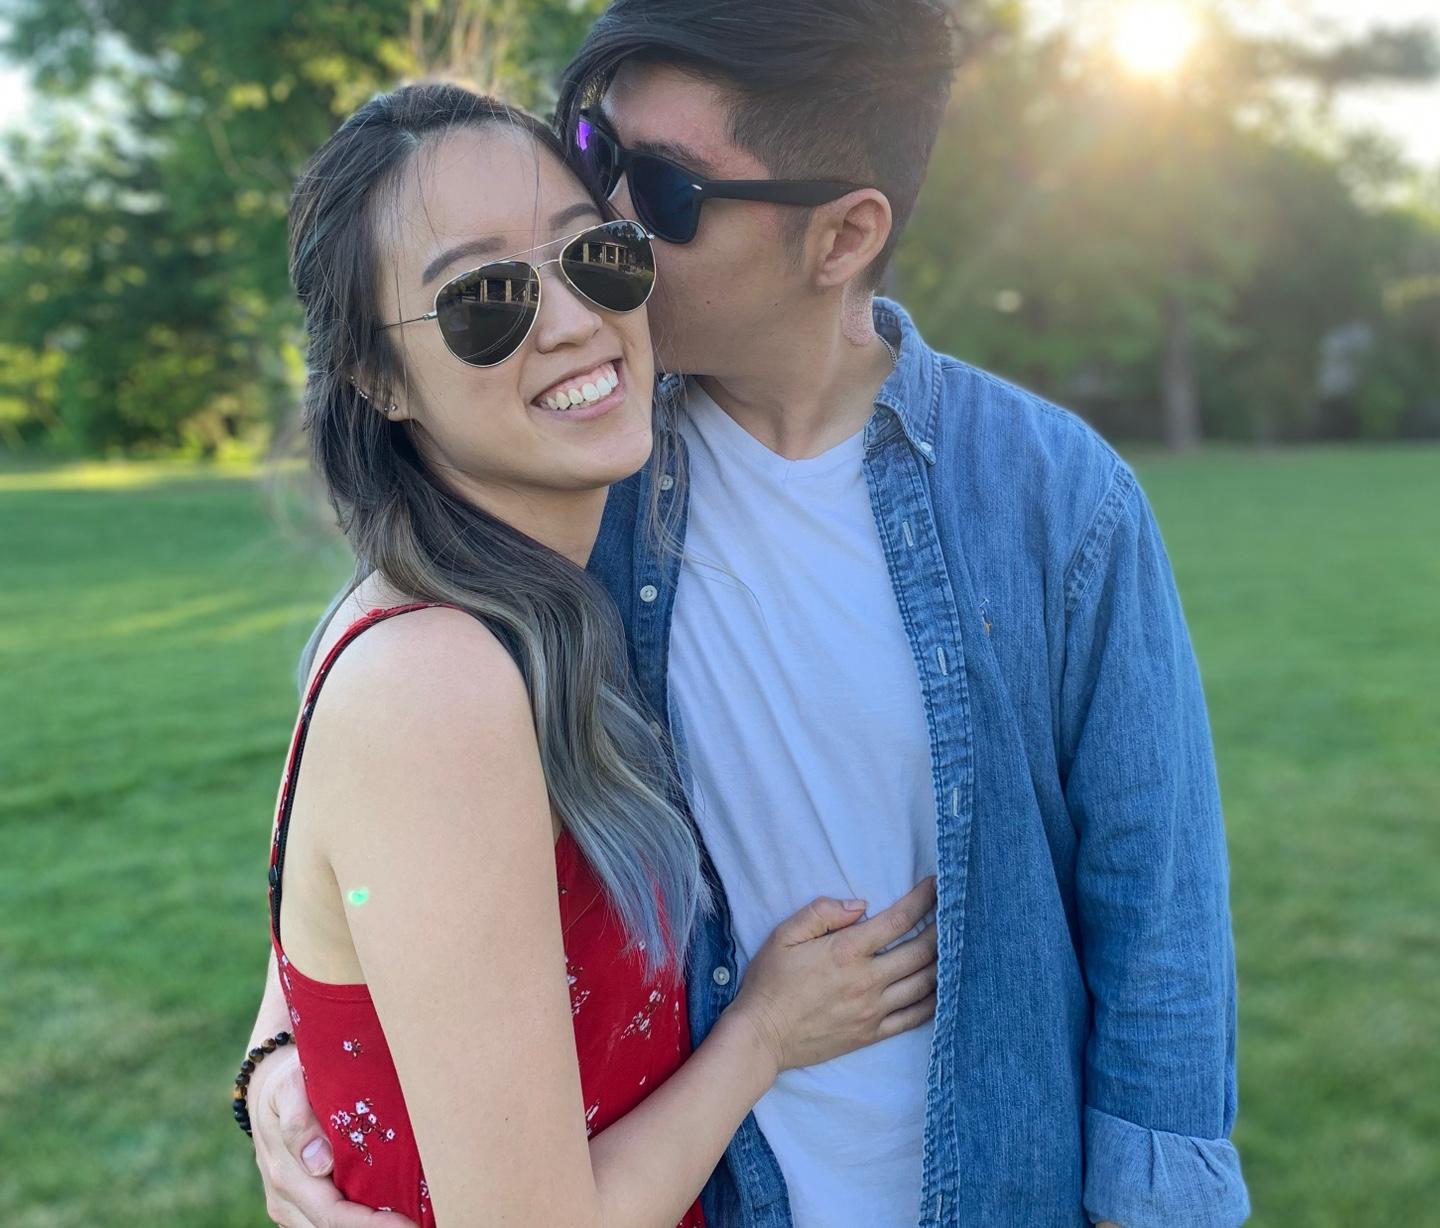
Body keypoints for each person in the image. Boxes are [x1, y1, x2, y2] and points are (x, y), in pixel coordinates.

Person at [248, 0, 1251, 1228]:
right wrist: (282, 1049)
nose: (606, 221)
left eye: (663, 190)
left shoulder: (1054, 499)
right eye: (595, 152)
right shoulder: (569, 467)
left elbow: (1159, 921)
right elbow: (376, 810)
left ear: (843, 236)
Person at [241, 80, 938, 1227]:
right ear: (376, 376)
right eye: (484, 297)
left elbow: (344, 923)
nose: (572, 320)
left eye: (596, 256)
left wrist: (269, 1059)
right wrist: (765, 1035)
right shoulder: (438, 682)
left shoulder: (491, 615)